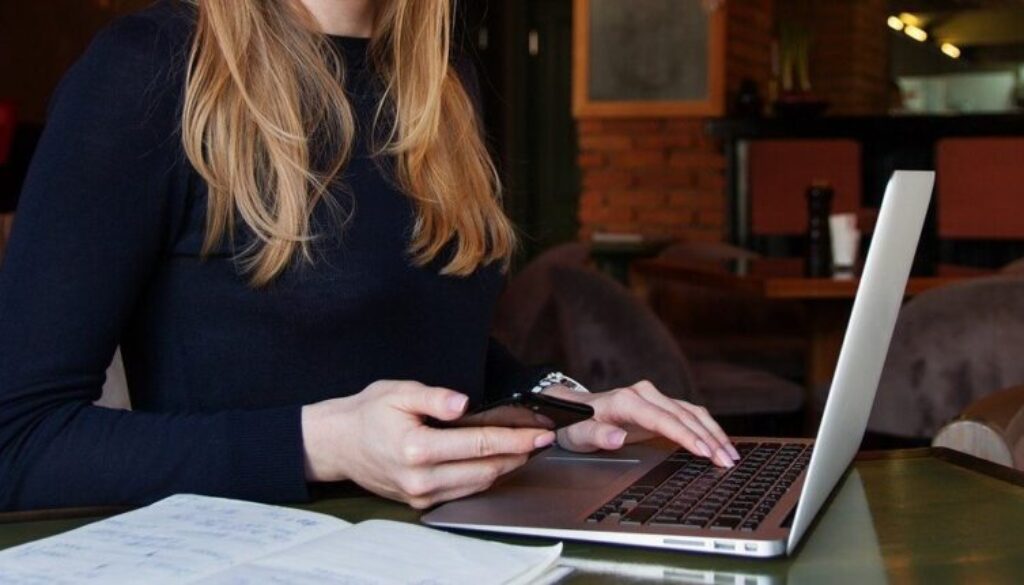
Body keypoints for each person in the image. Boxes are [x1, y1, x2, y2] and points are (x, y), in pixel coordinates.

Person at [0, 0, 737, 512]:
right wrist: (319, 446)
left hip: (463, 552)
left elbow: (429, 353)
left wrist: (561, 406)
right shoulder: (149, 69)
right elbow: (18, 442)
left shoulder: (442, 82)